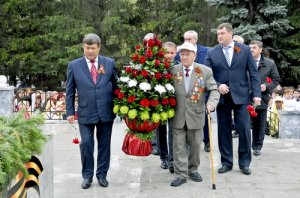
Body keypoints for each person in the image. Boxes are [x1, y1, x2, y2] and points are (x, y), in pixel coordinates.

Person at [204, 23, 261, 175]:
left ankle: (244, 163)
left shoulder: (244, 50)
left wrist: (256, 94)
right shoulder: (212, 52)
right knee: (223, 130)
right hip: (222, 97)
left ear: (230, 33)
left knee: (243, 129)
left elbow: (254, 73)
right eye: (218, 34)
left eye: (222, 33)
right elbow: (206, 75)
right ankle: (227, 162)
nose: (219, 36)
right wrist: (217, 85)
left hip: (241, 95)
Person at [66, 33, 118, 189]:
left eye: (93, 48)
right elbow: (70, 90)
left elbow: (116, 87)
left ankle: (102, 175)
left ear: (99, 47)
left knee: (104, 145)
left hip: (106, 112)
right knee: (87, 144)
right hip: (85, 112)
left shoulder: (109, 63)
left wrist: (120, 106)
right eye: (87, 48)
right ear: (83, 47)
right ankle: (87, 176)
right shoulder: (74, 65)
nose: (90, 51)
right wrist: (69, 112)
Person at [170, 42, 219, 187]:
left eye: (187, 54)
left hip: (196, 115)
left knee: (196, 146)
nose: (184, 57)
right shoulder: (173, 70)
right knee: (178, 147)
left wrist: (211, 103)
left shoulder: (204, 70)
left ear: (194, 55)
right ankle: (180, 174)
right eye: (182, 54)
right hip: (177, 115)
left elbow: (214, 90)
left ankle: (193, 169)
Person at [175, 30, 211, 152]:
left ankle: (207, 142)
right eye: (185, 39)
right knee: (180, 146)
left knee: (201, 127)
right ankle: (181, 170)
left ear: (195, 39)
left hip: (200, 92)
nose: (186, 41)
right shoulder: (178, 55)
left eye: (189, 39)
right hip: (181, 96)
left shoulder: (206, 52)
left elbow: (210, 77)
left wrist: (211, 102)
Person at [249, 40, 280, 156]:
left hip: (262, 99)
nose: (251, 49)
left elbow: (275, 80)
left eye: (254, 47)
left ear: (260, 50)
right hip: (246, 98)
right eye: (250, 47)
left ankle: (257, 146)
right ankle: (246, 145)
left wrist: (266, 87)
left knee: (259, 124)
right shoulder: (245, 61)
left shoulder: (269, 63)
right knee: (244, 124)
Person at [155, 41, 179, 173]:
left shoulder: (179, 66)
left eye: (172, 53)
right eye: (166, 52)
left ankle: (172, 160)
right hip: (159, 104)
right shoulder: (156, 66)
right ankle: (163, 157)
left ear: (176, 53)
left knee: (173, 132)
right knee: (161, 131)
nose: (169, 55)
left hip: (174, 104)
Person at [231, 35, 245, 138]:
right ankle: (235, 129)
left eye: (238, 42)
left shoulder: (245, 54)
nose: (236, 44)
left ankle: (240, 130)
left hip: (242, 90)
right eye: (234, 41)